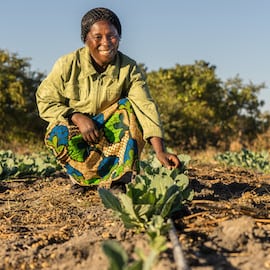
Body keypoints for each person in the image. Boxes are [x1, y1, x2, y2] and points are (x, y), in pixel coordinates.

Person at [36, 7, 180, 192]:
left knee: (130, 108)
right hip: (78, 129)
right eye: (97, 37)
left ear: (119, 38)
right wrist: (77, 117)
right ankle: (81, 179)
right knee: (58, 131)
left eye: (112, 36)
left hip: (110, 130)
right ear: (86, 39)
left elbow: (145, 106)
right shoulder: (67, 64)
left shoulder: (128, 67)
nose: (106, 42)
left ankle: (120, 179)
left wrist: (160, 150)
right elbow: (45, 101)